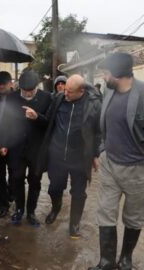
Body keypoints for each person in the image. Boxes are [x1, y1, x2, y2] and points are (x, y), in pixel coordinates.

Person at [89, 52, 144, 270]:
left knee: (134, 216)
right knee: (105, 211)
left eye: (106, 72)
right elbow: (104, 126)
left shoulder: (142, 95)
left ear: (118, 74)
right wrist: (102, 150)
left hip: (137, 169)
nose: (103, 76)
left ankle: (125, 259)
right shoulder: (110, 93)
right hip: (110, 164)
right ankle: (106, 262)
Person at [38, 74, 101, 239]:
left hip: (80, 157)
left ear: (81, 91)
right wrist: (36, 117)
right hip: (58, 155)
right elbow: (48, 119)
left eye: (69, 91)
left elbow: (98, 131)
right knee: (54, 188)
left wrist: (95, 154)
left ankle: (74, 224)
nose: (65, 94)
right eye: (65, 90)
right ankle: (56, 208)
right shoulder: (59, 99)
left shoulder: (93, 104)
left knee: (79, 193)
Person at [1, 70, 52, 226]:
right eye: (24, 91)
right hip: (16, 147)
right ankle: (19, 210)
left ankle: (31, 212)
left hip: (37, 149)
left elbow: (50, 123)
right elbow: (5, 122)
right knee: (16, 178)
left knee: (35, 180)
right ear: (19, 87)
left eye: (31, 91)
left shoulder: (47, 98)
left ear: (37, 86)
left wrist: (37, 117)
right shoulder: (11, 98)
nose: (28, 94)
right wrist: (3, 143)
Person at [0, 71, 14, 218]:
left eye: (3, 85)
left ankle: (12, 195)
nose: (0, 87)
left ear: (10, 83)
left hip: (14, 143)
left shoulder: (18, 97)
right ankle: (3, 205)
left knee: (15, 175)